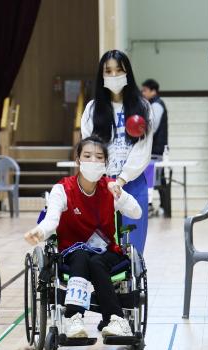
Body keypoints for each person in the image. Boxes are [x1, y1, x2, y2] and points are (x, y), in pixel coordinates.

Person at [24, 136, 141, 339]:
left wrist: (121, 195)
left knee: (95, 260)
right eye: (87, 156)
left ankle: (116, 320)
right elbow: (52, 220)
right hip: (73, 253)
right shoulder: (63, 189)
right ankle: (74, 318)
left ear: (106, 163)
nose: (93, 161)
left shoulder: (110, 188)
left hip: (105, 253)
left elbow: (137, 212)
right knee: (81, 255)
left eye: (99, 157)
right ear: (78, 159)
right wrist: (40, 231)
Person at [80, 50, 153, 253]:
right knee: (99, 247)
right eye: (108, 71)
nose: (114, 76)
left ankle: (132, 285)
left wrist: (121, 180)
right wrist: (104, 178)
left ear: (127, 73)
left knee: (134, 249)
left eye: (119, 71)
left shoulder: (143, 107)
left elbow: (142, 149)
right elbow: (89, 148)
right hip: (100, 184)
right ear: (101, 75)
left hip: (133, 183)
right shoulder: (92, 109)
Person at [141, 78, 171, 217]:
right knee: (155, 180)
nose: (142, 92)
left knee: (154, 180)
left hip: (156, 150)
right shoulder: (152, 104)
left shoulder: (157, 105)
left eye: (145, 90)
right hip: (155, 149)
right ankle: (161, 207)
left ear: (153, 91)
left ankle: (158, 207)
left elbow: (152, 127)